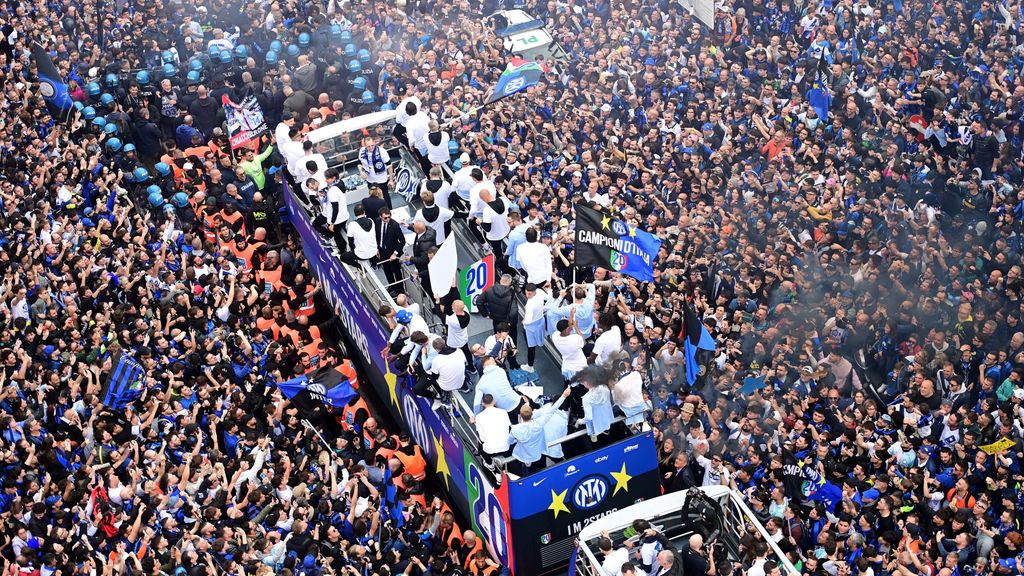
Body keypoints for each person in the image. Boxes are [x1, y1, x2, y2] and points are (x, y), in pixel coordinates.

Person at [507, 388, 569, 476]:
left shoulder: (515, 429)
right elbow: (552, 411)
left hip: (529, 455)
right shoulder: (539, 424)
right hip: (542, 452)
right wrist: (563, 396)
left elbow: (509, 442)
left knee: (534, 473)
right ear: (531, 414)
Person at [473, 393, 512, 469]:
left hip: (489, 450)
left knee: (481, 446)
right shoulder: (503, 412)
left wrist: (475, 422)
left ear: (483, 404)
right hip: (505, 448)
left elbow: (482, 438)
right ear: (494, 401)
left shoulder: (479, 417)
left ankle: (490, 465)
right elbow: (508, 426)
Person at [374, 206, 406, 295]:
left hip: (392, 252)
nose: (387, 219)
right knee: (387, 270)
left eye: (389, 217)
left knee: (396, 272)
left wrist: (395, 253)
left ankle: (400, 290)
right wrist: (377, 248)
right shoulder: (377, 221)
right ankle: (392, 286)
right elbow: (377, 235)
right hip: (382, 251)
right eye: (385, 217)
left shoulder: (395, 225)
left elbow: (402, 241)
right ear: (380, 217)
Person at [522, 282, 550, 372]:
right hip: (540, 321)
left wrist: (524, 322)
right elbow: (549, 298)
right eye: (526, 293)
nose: (527, 295)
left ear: (534, 292)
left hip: (530, 327)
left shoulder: (530, 304)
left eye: (529, 294)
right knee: (537, 342)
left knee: (531, 347)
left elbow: (528, 320)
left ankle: (530, 366)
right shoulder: (539, 291)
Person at [358, 134, 392, 206]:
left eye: (372, 145)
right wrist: (361, 171)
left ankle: (389, 211)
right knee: (373, 198)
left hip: (381, 179)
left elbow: (389, 166)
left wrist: (391, 179)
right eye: (368, 146)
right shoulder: (362, 151)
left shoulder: (382, 151)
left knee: (385, 196)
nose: (371, 148)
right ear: (365, 145)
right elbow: (359, 163)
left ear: (374, 143)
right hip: (370, 179)